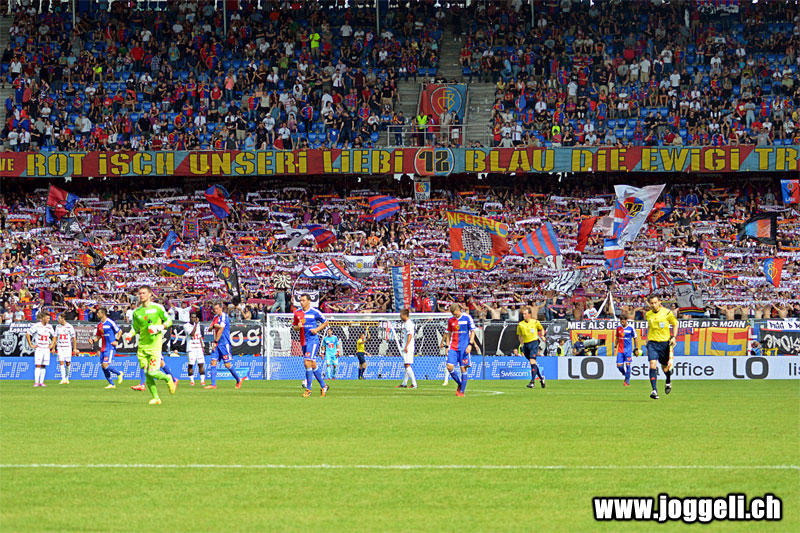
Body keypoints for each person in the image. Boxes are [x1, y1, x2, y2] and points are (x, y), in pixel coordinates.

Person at [123, 286, 177, 405]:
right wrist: (130, 334)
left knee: (152, 372)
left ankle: (168, 378)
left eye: (143, 293)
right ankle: (156, 398)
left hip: (154, 346)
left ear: (150, 294)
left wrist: (160, 327)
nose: (141, 295)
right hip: (142, 346)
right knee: (147, 374)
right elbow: (135, 328)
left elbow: (169, 320)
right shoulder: (137, 312)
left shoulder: (157, 308)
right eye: (140, 293)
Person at [292, 294, 329, 397]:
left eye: (303, 300)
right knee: (312, 364)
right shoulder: (297, 313)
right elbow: (294, 327)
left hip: (313, 340)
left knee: (307, 362)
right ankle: (324, 386)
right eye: (300, 300)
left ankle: (308, 389)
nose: (301, 302)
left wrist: (317, 329)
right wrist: (298, 327)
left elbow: (326, 322)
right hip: (303, 341)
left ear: (309, 301)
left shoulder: (315, 312)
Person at [205, 302, 245, 390]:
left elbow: (221, 329)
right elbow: (209, 329)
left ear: (221, 308)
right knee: (213, 362)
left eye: (217, 309)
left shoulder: (224, 316)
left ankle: (238, 379)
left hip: (224, 344)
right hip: (216, 343)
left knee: (227, 364)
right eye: (214, 309)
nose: (215, 310)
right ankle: (213, 384)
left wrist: (215, 341)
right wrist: (213, 326)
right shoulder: (215, 317)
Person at [644, 295, 678, 400]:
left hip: (664, 344)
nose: (654, 305)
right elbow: (650, 327)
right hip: (652, 343)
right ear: (649, 304)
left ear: (659, 302)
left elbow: (675, 324)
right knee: (652, 364)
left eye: (655, 302)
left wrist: (673, 337)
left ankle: (668, 380)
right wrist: (647, 339)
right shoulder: (648, 314)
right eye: (651, 303)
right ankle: (654, 390)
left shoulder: (667, 313)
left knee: (665, 367)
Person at [439, 303, 475, 397]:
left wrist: (470, 344)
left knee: (463, 368)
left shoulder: (467, 318)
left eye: (455, 313)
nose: (454, 315)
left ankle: (462, 391)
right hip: (453, 347)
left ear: (459, 309)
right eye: (453, 314)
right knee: (449, 367)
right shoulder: (451, 320)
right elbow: (449, 333)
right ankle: (460, 384)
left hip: (464, 348)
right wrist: (447, 346)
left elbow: (472, 331)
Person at [93, 307, 124, 389]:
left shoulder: (110, 322)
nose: (97, 314)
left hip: (110, 347)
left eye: (98, 313)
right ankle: (111, 384)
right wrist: (92, 340)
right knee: (103, 366)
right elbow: (98, 336)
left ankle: (119, 373)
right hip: (103, 348)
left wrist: (116, 340)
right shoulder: (99, 325)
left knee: (105, 365)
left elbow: (120, 331)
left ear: (103, 314)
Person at [516, 305, 546, 389]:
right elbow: (520, 336)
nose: (524, 315)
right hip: (525, 345)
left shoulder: (535, 322)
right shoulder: (520, 324)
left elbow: (541, 329)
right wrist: (521, 344)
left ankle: (532, 382)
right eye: (523, 314)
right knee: (533, 363)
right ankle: (541, 378)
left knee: (532, 361)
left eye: (525, 314)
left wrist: (542, 336)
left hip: (534, 343)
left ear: (529, 314)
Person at [26, 313, 55, 388]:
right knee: (38, 365)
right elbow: (28, 333)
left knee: (43, 365)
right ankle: (36, 382)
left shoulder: (49, 326)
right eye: (47, 318)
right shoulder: (37, 325)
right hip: (39, 348)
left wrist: (52, 344)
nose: (48, 320)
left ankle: (41, 382)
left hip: (46, 348)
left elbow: (55, 336)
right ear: (43, 318)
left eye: (49, 318)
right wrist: (31, 344)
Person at [614, 315, 640, 387]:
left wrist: (636, 349)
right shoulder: (618, 328)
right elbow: (617, 338)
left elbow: (635, 338)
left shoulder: (631, 328)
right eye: (621, 320)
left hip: (628, 350)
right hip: (620, 350)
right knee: (619, 366)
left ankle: (627, 382)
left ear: (626, 320)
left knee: (628, 365)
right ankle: (625, 374)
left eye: (623, 319)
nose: (622, 321)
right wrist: (615, 346)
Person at [397, 309, 417, 389]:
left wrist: (406, 346)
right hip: (406, 346)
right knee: (406, 364)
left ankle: (414, 384)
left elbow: (410, 335)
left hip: (408, 347)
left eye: (401, 315)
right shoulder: (406, 323)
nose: (400, 317)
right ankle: (404, 383)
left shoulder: (409, 323)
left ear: (405, 315)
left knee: (407, 365)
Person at [54, 314, 77, 384]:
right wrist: (53, 347)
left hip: (67, 347)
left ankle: (67, 378)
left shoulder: (69, 326)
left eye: (59, 318)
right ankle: (63, 378)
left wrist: (75, 348)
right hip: (60, 347)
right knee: (61, 362)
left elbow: (74, 338)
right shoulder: (57, 327)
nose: (58, 320)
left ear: (63, 319)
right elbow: (55, 337)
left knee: (68, 363)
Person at [185, 312, 206, 386]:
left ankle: (202, 381)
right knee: (191, 364)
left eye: (195, 317)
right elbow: (192, 334)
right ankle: (192, 381)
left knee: (201, 364)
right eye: (192, 317)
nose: (193, 319)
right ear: (190, 318)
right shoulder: (186, 325)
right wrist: (196, 325)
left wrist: (202, 346)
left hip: (198, 347)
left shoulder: (198, 325)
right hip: (191, 348)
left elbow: (199, 336)